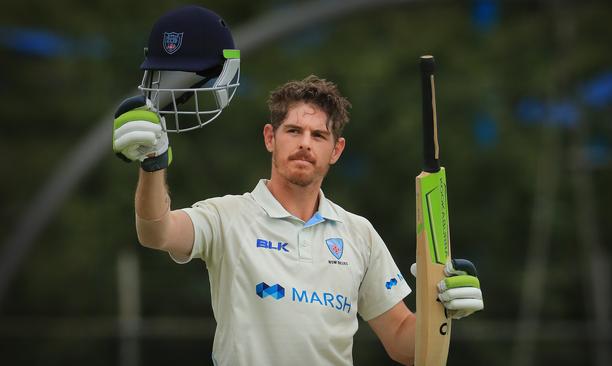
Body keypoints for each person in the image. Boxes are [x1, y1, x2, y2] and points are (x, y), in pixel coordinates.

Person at [112, 5, 483, 366]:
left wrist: (442, 311)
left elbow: (403, 342)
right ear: (270, 137)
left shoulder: (359, 235)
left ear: (336, 150)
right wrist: (153, 163)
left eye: (318, 135)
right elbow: (155, 231)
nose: (305, 143)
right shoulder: (228, 216)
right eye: (293, 130)